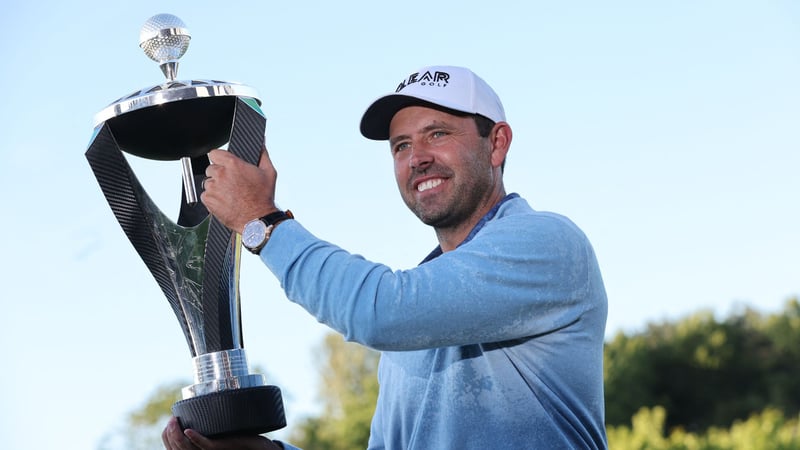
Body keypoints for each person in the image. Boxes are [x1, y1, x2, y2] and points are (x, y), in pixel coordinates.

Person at [162, 65, 608, 449]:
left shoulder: (548, 243)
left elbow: (380, 311)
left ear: (497, 144)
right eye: (401, 146)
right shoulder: (411, 331)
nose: (418, 158)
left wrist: (263, 222)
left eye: (438, 133)